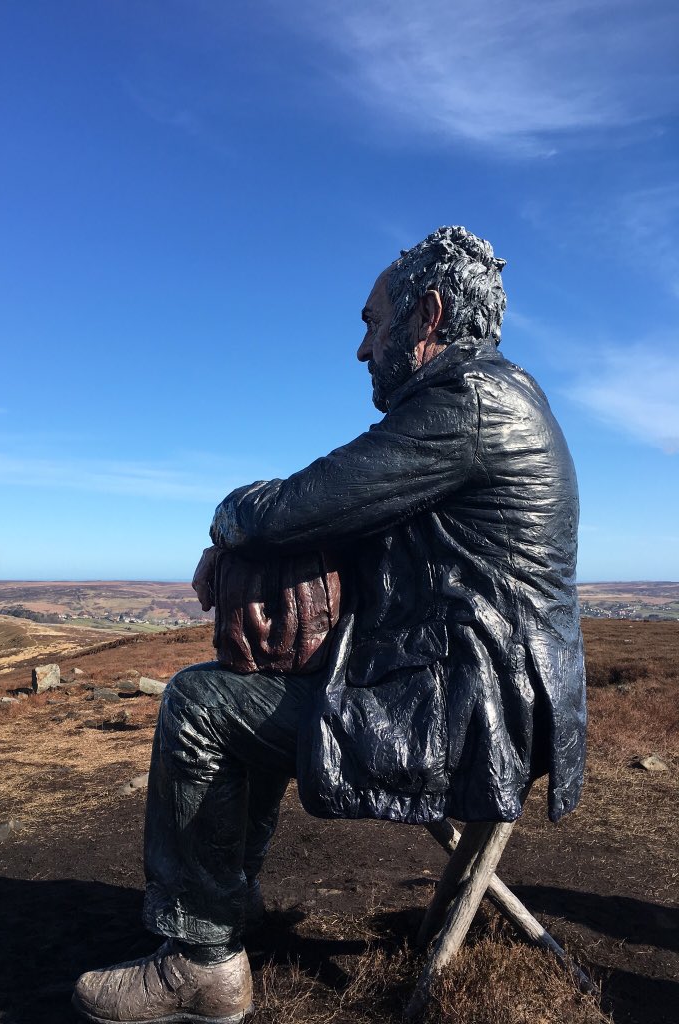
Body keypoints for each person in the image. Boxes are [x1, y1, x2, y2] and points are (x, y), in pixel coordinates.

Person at [73, 226, 586, 1024]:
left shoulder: (466, 405)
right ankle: (224, 912)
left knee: (199, 706)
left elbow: (309, 500)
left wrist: (227, 521)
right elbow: (343, 521)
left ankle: (204, 962)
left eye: (371, 323)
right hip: (489, 701)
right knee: (259, 689)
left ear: (429, 315)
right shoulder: (490, 401)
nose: (360, 349)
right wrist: (245, 550)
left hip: (473, 718)